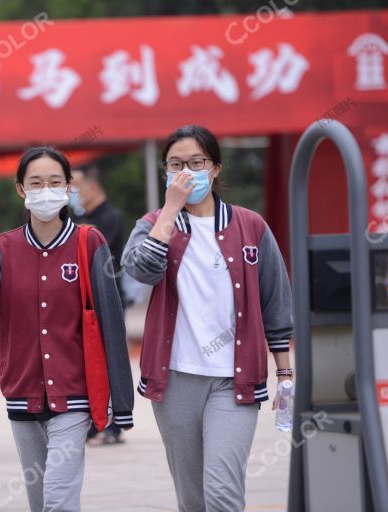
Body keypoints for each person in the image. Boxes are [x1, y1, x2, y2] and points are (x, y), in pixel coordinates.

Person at [0, 146, 134, 512]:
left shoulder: (89, 242)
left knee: (59, 501)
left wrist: (121, 403)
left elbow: (111, 323)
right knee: (39, 502)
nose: (45, 190)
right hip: (22, 394)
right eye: (35, 182)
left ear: (68, 188)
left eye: (54, 182)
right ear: (21, 189)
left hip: (74, 396)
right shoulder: (3, 249)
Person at [121, 125, 294, 511]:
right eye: (176, 164)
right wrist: (169, 209)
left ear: (215, 167)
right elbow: (141, 271)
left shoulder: (250, 226)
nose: (187, 172)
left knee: (222, 491)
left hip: (234, 378)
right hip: (176, 378)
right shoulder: (153, 225)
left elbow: (276, 303)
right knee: (193, 497)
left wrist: (284, 374)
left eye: (196, 162)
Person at [70, 163, 128, 446]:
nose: (73, 194)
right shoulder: (86, 219)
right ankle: (94, 423)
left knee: (109, 362)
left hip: (108, 301)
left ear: (92, 188)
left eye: (76, 188)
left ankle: (113, 426)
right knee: (89, 362)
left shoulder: (109, 219)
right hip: (85, 302)